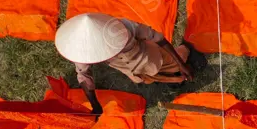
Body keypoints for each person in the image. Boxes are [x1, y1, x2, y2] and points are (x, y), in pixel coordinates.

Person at [54, 13, 194, 114]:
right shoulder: (83, 53)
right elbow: (83, 75)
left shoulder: (125, 26)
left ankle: (185, 51)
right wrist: (95, 104)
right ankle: (173, 78)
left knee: (180, 60)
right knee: (156, 78)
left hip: (154, 58)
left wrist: (181, 64)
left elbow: (158, 38)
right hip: (135, 73)